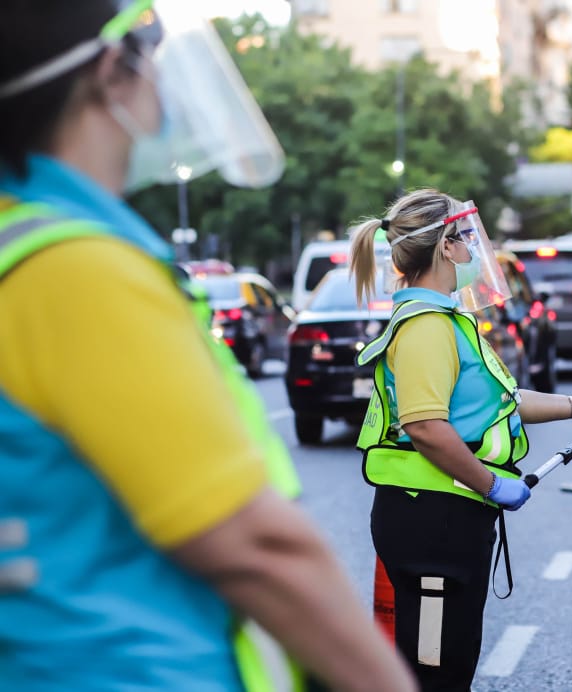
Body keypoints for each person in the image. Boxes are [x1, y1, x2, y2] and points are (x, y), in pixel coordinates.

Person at [0, 1, 416, 689]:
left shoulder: (22, 240)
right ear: (112, 70)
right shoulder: (79, 269)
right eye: (153, 57)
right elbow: (257, 546)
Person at [350, 189, 572, 690]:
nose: (473, 250)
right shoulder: (425, 326)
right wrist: (490, 483)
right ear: (445, 245)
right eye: (466, 238)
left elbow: (497, 402)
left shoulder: (446, 319)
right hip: (430, 520)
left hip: (447, 515)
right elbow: (425, 427)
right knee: (435, 671)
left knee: (451, 660)